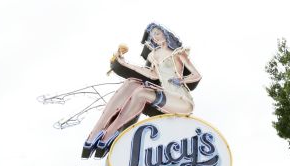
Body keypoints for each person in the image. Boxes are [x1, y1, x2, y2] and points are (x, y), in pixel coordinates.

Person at [83, 22, 202, 158]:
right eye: (153, 36)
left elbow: (196, 75)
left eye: (157, 33)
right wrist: (123, 62)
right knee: (131, 83)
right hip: (165, 96)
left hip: (182, 101)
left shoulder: (179, 53)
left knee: (141, 93)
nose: (155, 37)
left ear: (165, 34)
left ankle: (110, 133)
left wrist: (181, 80)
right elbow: (152, 74)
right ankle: (97, 131)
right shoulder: (154, 55)